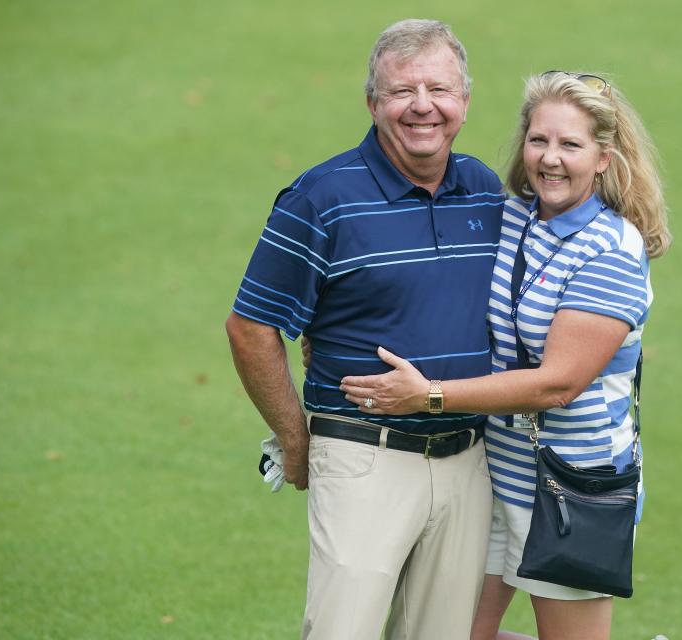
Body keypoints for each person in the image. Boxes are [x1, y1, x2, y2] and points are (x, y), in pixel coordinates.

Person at [338, 71, 671, 640]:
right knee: (438, 633)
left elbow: (556, 385)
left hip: (572, 486)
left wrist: (430, 396)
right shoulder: (510, 215)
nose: (550, 159)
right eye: (539, 140)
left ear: (603, 159)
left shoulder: (613, 250)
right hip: (493, 472)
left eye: (571, 145)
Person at [225, 19, 504, 639]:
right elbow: (251, 328)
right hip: (364, 458)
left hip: (468, 461)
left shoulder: (485, 190)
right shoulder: (321, 198)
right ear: (373, 103)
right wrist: (297, 440)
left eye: (440, 89)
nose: (423, 106)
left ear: (464, 102)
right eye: (402, 90)